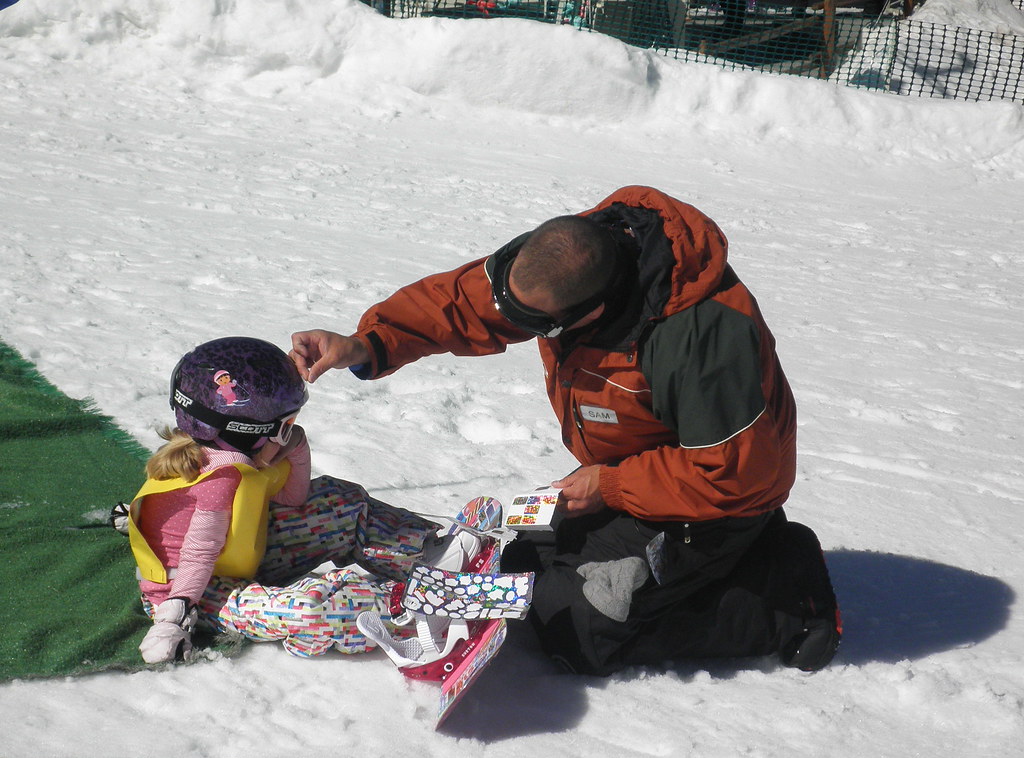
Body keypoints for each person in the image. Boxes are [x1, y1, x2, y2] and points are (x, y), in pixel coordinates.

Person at [289, 185, 841, 677]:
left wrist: (610, 486)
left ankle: (787, 595)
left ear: (595, 308)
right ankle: (724, 564)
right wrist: (367, 343)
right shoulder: (566, 256)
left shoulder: (701, 340)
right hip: (637, 474)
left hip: (717, 495)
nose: (522, 331)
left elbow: (735, 473)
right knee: (523, 566)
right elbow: (462, 302)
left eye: (540, 327)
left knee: (574, 626)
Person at [128, 336, 443, 664]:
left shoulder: (228, 452)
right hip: (190, 592)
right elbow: (199, 551)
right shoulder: (218, 480)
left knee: (339, 502)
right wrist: (173, 617)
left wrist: (294, 442)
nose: (290, 430)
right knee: (310, 611)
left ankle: (428, 550)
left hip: (242, 551)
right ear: (245, 430)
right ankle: (408, 606)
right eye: (285, 425)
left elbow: (295, 500)